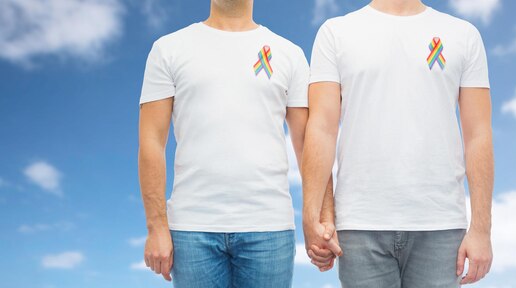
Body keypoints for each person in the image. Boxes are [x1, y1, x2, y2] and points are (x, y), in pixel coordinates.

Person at [302, 0, 494, 287]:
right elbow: (321, 128)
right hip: (359, 224)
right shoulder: (336, 33)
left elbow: (478, 134)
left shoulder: (463, 35)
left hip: (440, 225)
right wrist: (311, 215)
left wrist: (482, 229)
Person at [137, 0, 312, 287]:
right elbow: (151, 141)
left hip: (269, 227)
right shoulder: (168, 49)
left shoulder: (289, 54)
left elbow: (307, 144)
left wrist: (318, 218)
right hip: (192, 229)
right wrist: (156, 226)